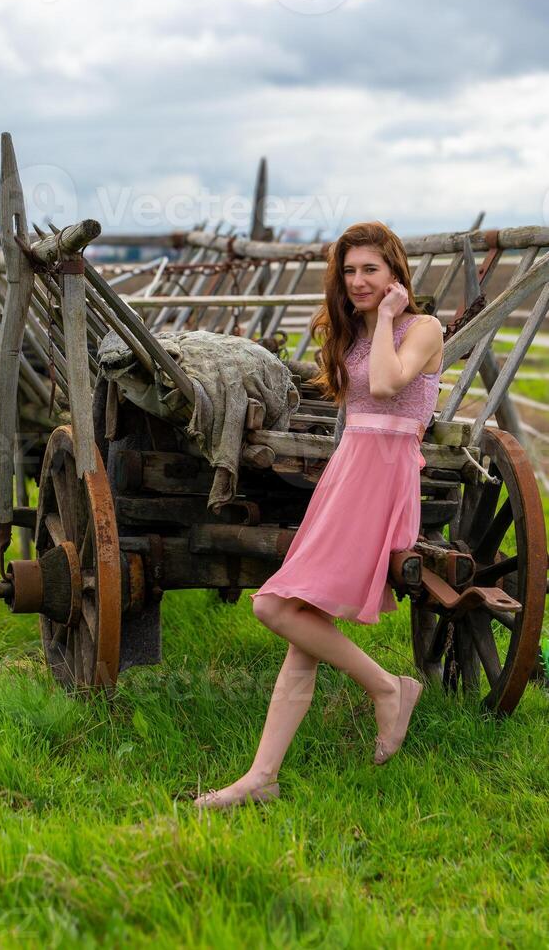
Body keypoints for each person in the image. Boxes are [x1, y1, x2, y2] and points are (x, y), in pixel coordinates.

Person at [194, 221, 444, 809]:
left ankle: (388, 688)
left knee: (273, 605)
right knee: (298, 625)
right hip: (349, 472)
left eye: (371, 270)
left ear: (395, 273)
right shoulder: (350, 334)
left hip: (383, 478)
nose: (359, 282)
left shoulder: (421, 328)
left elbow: (385, 386)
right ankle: (262, 778)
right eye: (349, 271)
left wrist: (386, 318)